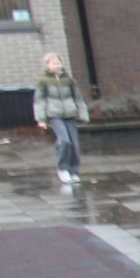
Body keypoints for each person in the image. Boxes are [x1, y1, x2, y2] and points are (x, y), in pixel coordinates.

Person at [34, 52, 87, 185]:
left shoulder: (69, 80)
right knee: (64, 141)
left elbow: (78, 98)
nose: (57, 65)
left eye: (58, 62)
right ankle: (63, 169)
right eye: (53, 63)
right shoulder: (43, 81)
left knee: (74, 144)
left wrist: (82, 114)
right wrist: (41, 119)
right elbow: (39, 101)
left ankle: (73, 171)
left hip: (69, 114)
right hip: (54, 115)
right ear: (47, 65)